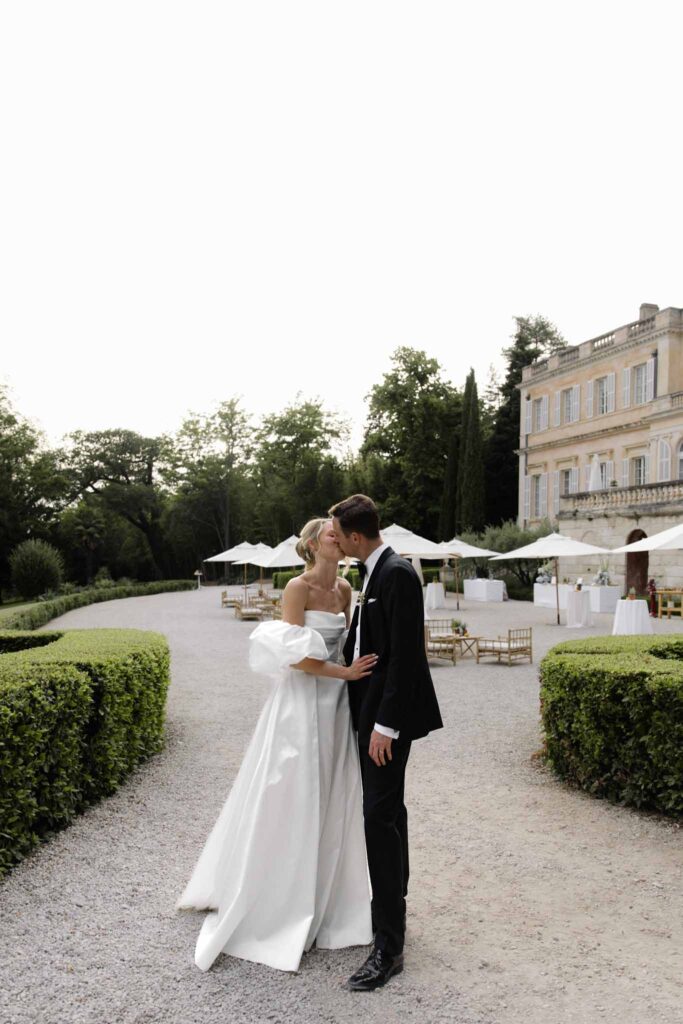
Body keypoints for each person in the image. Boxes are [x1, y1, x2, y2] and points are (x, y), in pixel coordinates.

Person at [176, 518, 377, 972]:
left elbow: (348, 642)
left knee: (332, 791)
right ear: (311, 544)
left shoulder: (346, 590)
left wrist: (357, 679)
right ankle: (278, 898)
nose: (337, 536)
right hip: (302, 703)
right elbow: (298, 657)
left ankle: (329, 898)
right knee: (291, 790)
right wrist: (344, 674)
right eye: (330, 532)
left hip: (338, 706)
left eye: (339, 533)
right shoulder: (297, 589)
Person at [329, 494, 444, 992]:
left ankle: (389, 948)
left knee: (378, 817)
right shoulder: (373, 573)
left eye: (338, 533)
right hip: (367, 713)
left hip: (384, 723)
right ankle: (394, 917)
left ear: (356, 537)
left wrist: (386, 726)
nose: (335, 539)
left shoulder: (396, 573)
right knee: (389, 814)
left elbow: (406, 660)